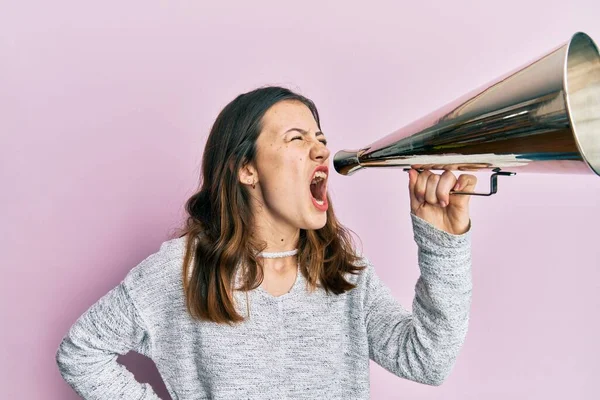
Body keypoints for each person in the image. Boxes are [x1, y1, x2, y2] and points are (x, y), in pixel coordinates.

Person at [55, 86, 476, 399]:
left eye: (321, 139)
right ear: (247, 170)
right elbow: (82, 351)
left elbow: (428, 361)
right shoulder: (180, 272)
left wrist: (442, 243)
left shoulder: (342, 272)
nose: (321, 152)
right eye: (297, 138)